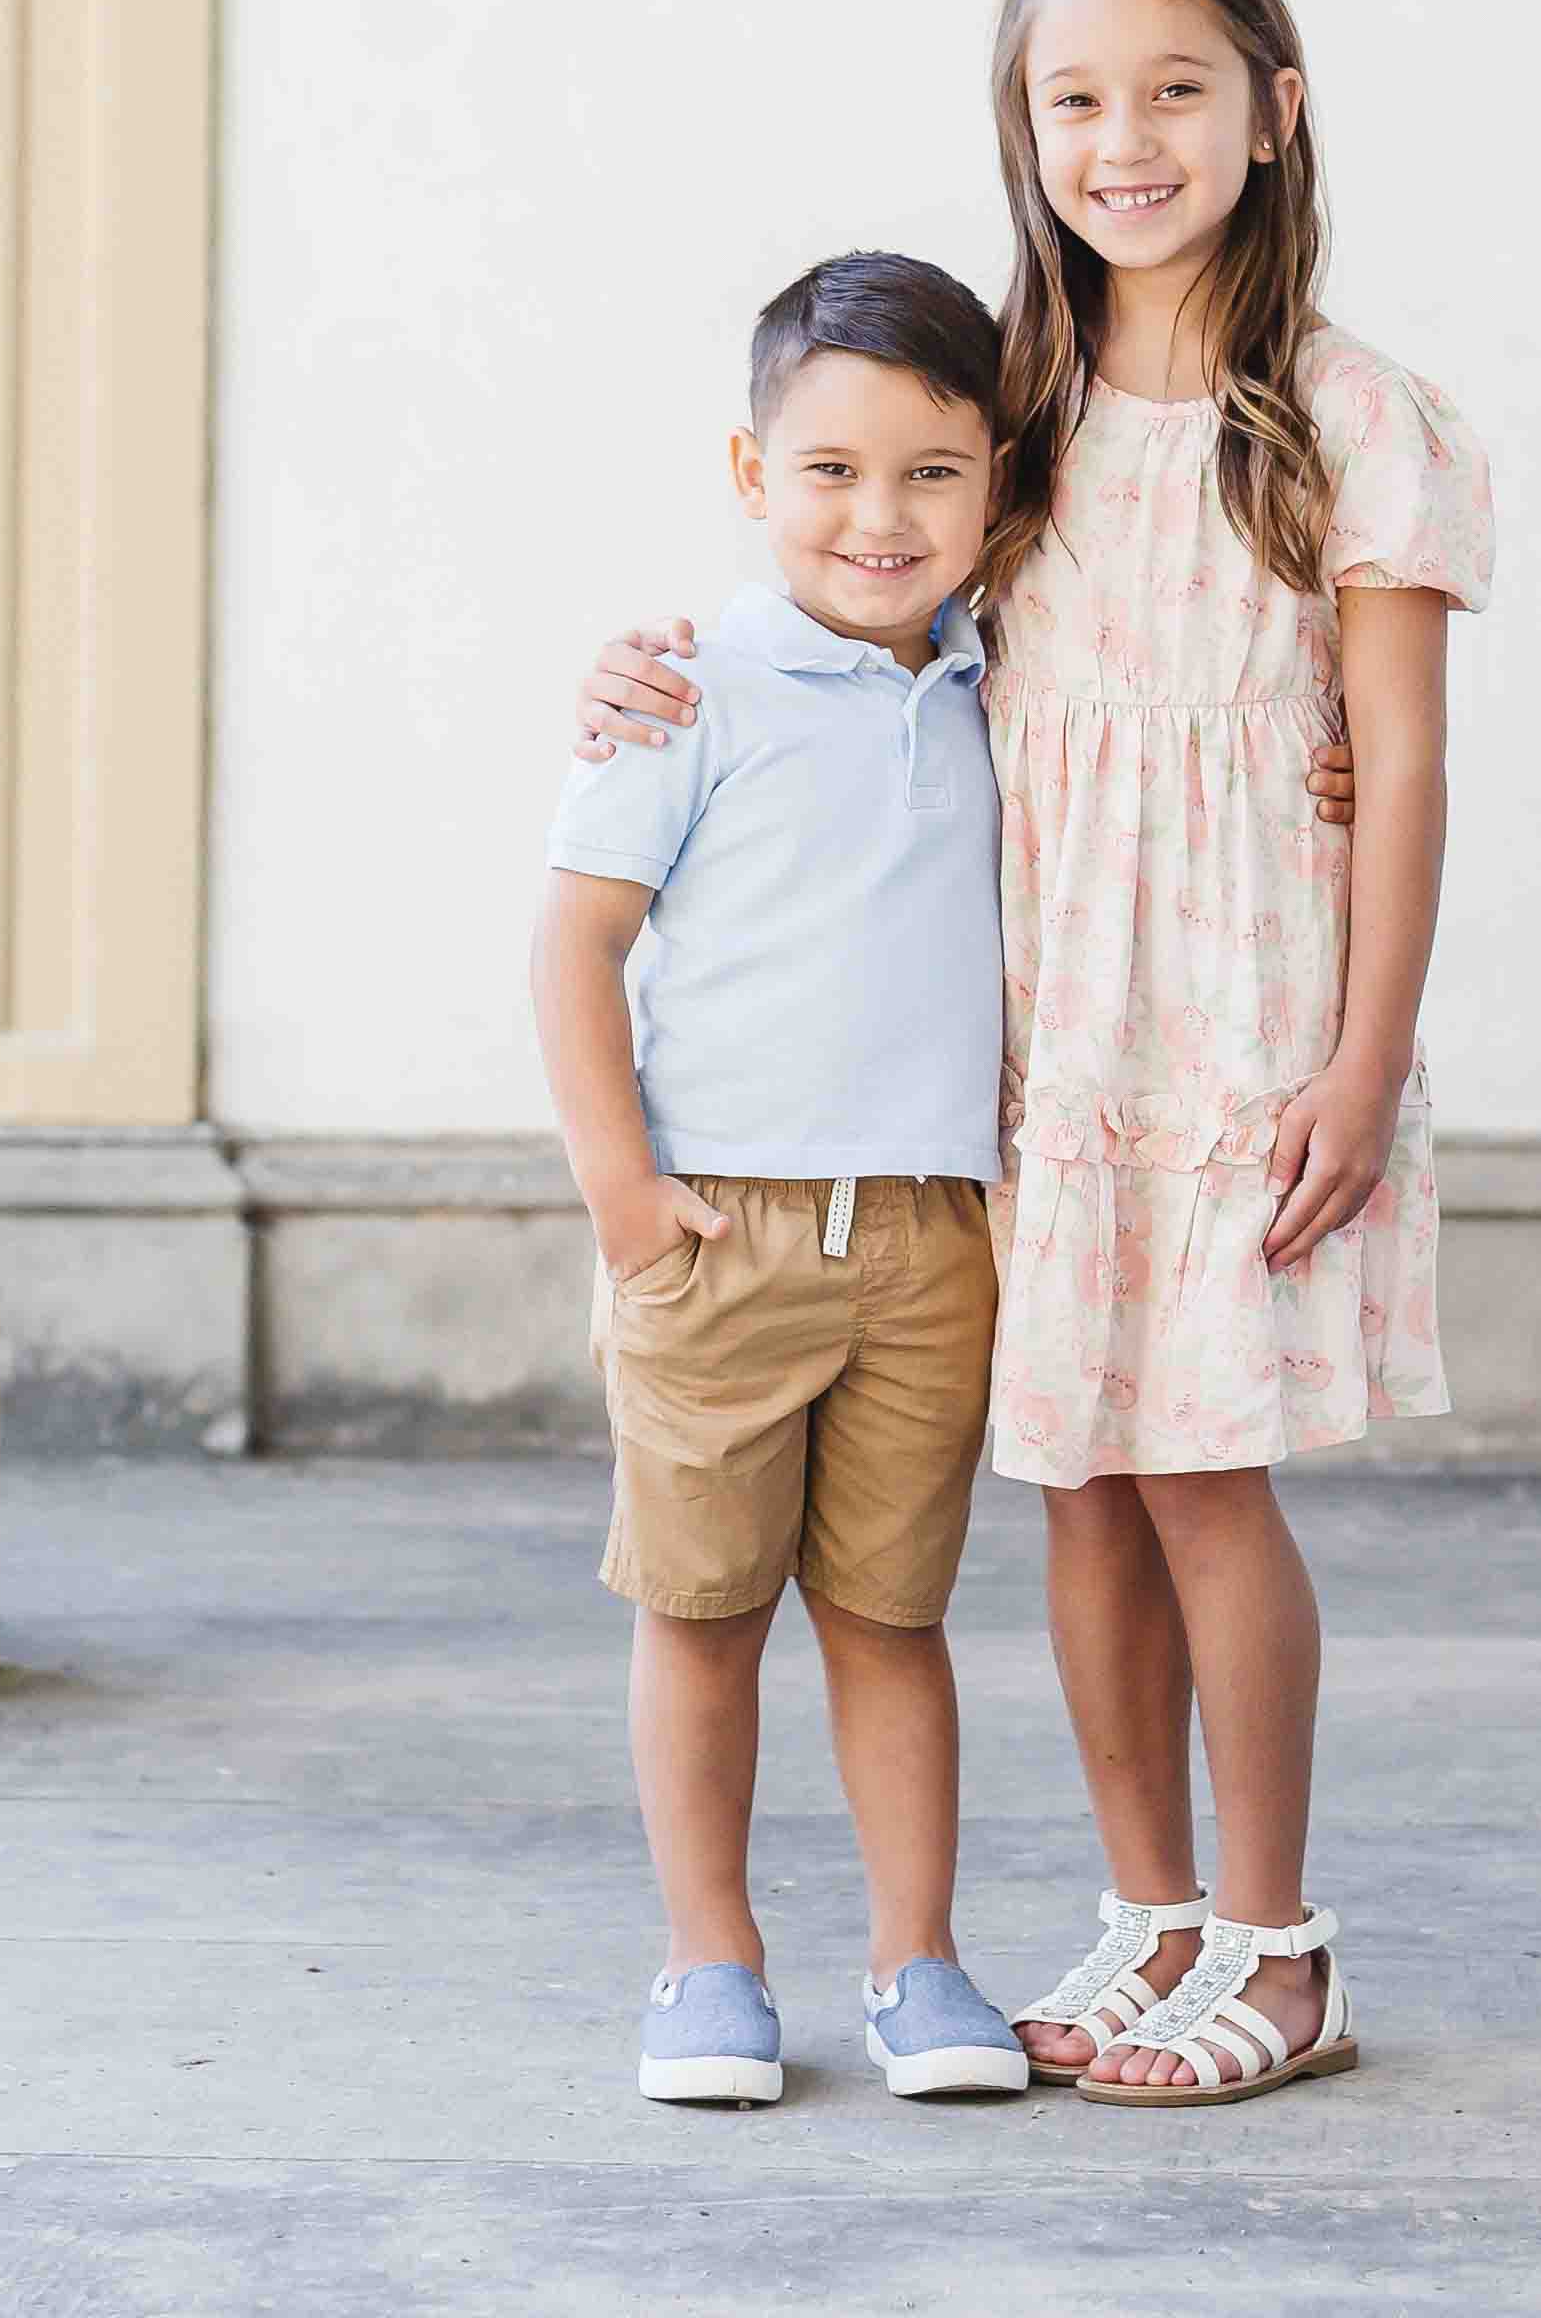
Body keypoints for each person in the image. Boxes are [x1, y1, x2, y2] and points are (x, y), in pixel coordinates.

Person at [577, 0, 1492, 2111]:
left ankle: (1278, 1946)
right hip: (1039, 1045)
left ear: (1275, 114)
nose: (1125, 139)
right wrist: (650, 674)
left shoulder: (1353, 417)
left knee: (1205, 1480)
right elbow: (856, 589)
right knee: (1083, 1480)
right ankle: (1149, 1908)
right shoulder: (1021, 400)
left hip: (1246, 1041)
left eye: (1175, 88)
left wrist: (1361, 1063)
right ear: (1025, 129)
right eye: (1073, 98)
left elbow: (1408, 759)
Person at [530, 249, 1035, 2109]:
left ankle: (920, 1965)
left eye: (930, 471)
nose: (880, 517)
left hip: (928, 1236)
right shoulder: (685, 693)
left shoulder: (1006, 685)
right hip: (719, 1227)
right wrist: (628, 1202)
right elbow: (574, 949)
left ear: (996, 481)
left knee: (894, 1619)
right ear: (751, 477)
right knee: (703, 1613)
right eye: (830, 470)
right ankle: (709, 1963)